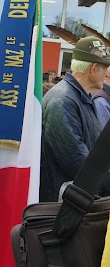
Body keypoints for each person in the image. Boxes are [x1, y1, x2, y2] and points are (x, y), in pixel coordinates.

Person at [40, 36, 110, 202]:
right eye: (105, 67)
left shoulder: (80, 97)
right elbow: (80, 166)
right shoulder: (63, 101)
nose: (107, 73)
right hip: (62, 209)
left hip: (74, 203)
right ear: (93, 69)